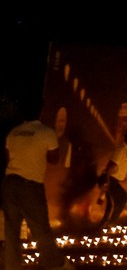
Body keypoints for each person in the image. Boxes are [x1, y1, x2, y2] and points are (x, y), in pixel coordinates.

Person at [4, 104, 71, 270]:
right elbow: (54, 159)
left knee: (11, 230)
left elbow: (7, 158)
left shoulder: (13, 132)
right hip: (30, 185)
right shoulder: (47, 132)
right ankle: (55, 264)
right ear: (40, 114)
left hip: (9, 184)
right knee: (40, 228)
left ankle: (11, 266)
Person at [98, 126, 127, 228]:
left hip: (112, 180)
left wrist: (123, 178)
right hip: (108, 179)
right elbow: (110, 168)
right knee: (122, 198)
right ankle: (109, 224)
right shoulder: (121, 151)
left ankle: (105, 224)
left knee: (112, 203)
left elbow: (125, 168)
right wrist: (107, 183)